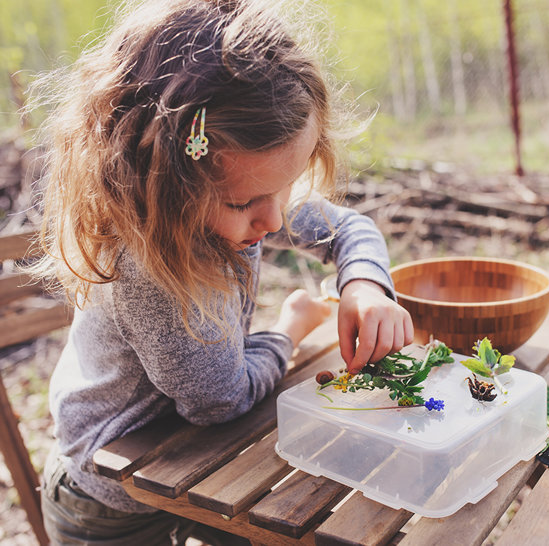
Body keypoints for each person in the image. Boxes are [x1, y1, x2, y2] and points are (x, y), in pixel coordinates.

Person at [29, 0, 414, 543]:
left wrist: (366, 287)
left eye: (285, 187)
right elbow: (221, 401)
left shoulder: (239, 189)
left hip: (194, 459)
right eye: (246, 204)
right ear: (163, 186)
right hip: (115, 500)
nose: (277, 218)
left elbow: (348, 229)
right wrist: (290, 331)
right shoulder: (149, 272)